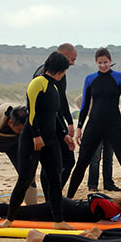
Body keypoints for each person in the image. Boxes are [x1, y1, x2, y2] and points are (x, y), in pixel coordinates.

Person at [0, 51, 75, 230]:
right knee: (25, 179)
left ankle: (58, 221)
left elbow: (54, 115)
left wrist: (64, 135)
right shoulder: (37, 83)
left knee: (55, 179)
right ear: (59, 69)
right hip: (31, 139)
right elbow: (31, 111)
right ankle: (9, 219)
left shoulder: (54, 87)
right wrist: (35, 135)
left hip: (50, 140)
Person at [66, 47, 121, 198]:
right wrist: (79, 128)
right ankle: (69, 197)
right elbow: (85, 105)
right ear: (96, 62)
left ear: (110, 61)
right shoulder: (90, 79)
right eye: (100, 63)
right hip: (94, 125)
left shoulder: (119, 77)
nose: (103, 65)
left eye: (105, 62)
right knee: (82, 162)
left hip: (115, 125)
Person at [34, 44, 77, 193]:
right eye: (72, 59)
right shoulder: (43, 75)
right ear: (64, 54)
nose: (73, 63)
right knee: (59, 162)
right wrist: (37, 133)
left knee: (62, 162)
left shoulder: (59, 73)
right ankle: (51, 196)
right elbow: (36, 108)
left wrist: (69, 122)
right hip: (47, 125)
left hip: (57, 123)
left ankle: (53, 194)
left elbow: (61, 99)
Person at [0, 190, 121, 223]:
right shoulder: (113, 208)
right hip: (61, 208)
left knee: (20, 212)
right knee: (18, 212)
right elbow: (94, 197)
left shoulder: (114, 206)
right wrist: (101, 220)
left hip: (64, 207)